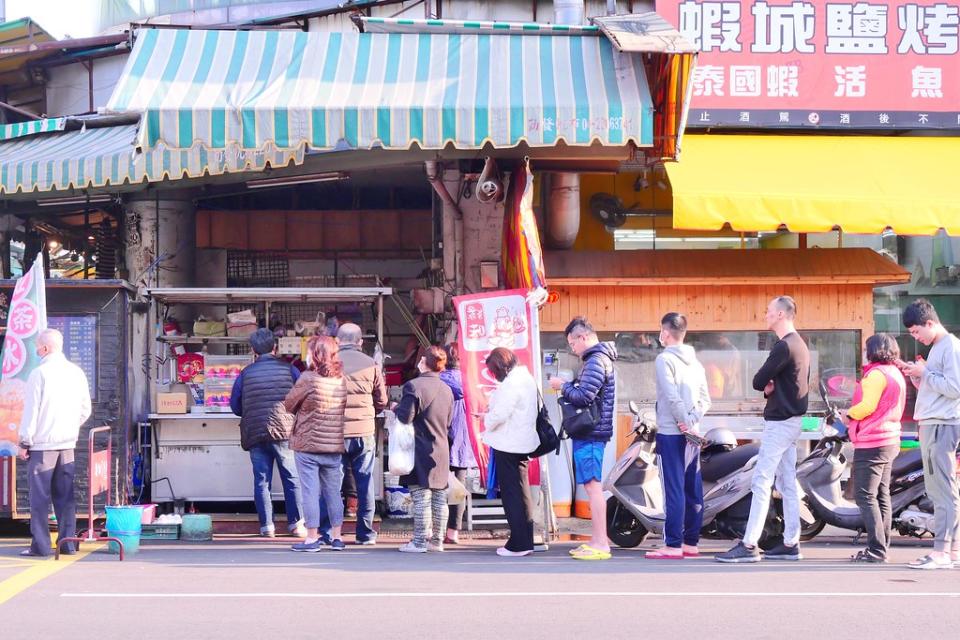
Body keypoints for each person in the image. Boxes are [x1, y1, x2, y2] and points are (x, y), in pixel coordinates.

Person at [717, 296, 810, 563]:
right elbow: (792, 385)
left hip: (779, 424)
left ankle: (748, 545)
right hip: (793, 423)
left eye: (769, 311)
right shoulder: (800, 345)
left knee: (761, 482)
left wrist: (769, 386)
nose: (765, 314)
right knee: (787, 483)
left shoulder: (783, 347)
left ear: (781, 314)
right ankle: (791, 542)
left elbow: (758, 381)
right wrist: (774, 386)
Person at [17, 329, 91, 557]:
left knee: (40, 499)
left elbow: (31, 411)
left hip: (41, 446)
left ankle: (40, 546)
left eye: (38, 347)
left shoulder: (39, 373)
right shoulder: (77, 372)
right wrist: (69, 429)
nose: (36, 350)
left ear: (45, 348)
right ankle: (67, 544)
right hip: (67, 444)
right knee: (65, 497)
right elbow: (85, 410)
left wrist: (24, 441)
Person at [549, 316, 618, 561]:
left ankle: (601, 542)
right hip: (592, 431)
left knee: (593, 487)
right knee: (592, 486)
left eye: (572, 343)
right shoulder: (598, 359)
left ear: (583, 336)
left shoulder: (596, 361)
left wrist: (562, 385)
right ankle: (596, 539)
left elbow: (584, 396)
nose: (572, 348)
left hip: (591, 432)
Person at [900, 299, 960, 570]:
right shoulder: (939, 347)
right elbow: (939, 384)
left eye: (916, 331)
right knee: (942, 488)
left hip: (942, 424)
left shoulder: (950, 347)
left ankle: (941, 552)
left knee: (941, 489)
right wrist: (919, 376)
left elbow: (955, 388)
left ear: (930, 323)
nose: (916, 337)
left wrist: (925, 372)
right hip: (936, 423)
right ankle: (951, 549)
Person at [314, 323, 387, 545]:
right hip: (364, 432)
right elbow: (381, 400)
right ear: (360, 342)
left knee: (331, 484)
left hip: (334, 433)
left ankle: (327, 531)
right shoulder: (371, 364)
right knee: (364, 483)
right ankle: (365, 534)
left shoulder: (329, 364)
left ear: (337, 341)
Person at [646, 313, 711, 560]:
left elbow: (671, 396)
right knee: (692, 488)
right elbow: (706, 399)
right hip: (693, 433)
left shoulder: (664, 360)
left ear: (665, 332)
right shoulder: (696, 363)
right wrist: (692, 420)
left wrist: (683, 421)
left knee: (673, 488)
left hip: (672, 432)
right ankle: (691, 543)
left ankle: (673, 544)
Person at [230, 328, 306, 539]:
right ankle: (297, 525)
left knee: (261, 480)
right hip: (284, 431)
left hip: (256, 432)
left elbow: (235, 406)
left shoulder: (245, 374)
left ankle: (267, 527)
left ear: (253, 350)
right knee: (291, 477)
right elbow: (302, 399)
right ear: (275, 347)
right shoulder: (290, 370)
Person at [843, 333, 906, 564]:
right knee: (881, 495)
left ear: (873, 350)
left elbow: (867, 406)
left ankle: (876, 550)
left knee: (865, 495)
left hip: (873, 441)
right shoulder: (895, 373)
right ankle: (881, 547)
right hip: (890, 440)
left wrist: (848, 415)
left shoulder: (876, 375)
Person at [283, 336, 348, 552]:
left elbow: (289, 404)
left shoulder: (307, 378)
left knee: (310, 492)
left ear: (316, 355)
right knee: (333, 492)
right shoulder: (341, 380)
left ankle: (312, 538)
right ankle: (337, 537)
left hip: (307, 445)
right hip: (333, 445)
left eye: (310, 351)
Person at [482, 347, 539, 557]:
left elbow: (500, 413)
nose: (495, 376)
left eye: (495, 372)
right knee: (521, 492)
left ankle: (518, 544)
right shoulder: (525, 378)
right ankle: (525, 540)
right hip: (522, 442)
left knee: (512, 494)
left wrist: (486, 419)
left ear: (501, 366)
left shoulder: (512, 383)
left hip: (509, 444)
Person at [396, 346, 454, 553]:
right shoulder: (447, 390)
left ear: (424, 362)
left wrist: (395, 408)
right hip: (441, 448)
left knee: (421, 496)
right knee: (439, 497)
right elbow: (448, 422)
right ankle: (437, 540)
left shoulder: (414, 386)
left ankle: (419, 541)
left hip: (419, 448)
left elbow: (405, 417)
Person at [440, 343, 476, 545]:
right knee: (458, 488)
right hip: (462, 441)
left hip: (439, 439)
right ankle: (453, 531)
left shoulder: (438, 380)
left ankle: (432, 529)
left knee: (433, 486)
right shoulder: (469, 381)